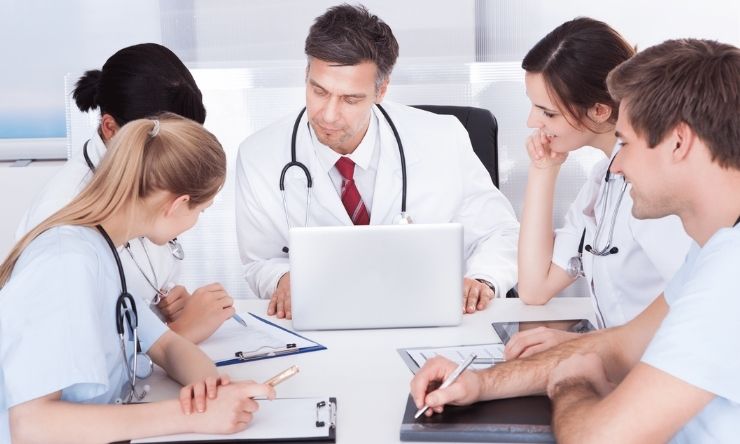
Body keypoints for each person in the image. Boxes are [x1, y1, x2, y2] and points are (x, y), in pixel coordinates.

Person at [410, 38, 740, 442]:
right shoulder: (714, 251)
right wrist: (481, 383)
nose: (616, 165)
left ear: (678, 142)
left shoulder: (729, 278)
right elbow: (622, 344)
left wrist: (571, 383)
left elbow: (597, 439)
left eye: (628, 143)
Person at [0, 114, 275, 443]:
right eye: (201, 211)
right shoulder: (66, 264)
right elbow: (32, 426)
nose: (196, 221)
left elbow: (168, 345)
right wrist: (192, 415)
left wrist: (210, 388)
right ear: (178, 204)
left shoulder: (101, 248)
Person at [235, 4, 520, 319]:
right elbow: (259, 261)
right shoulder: (259, 156)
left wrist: (482, 279)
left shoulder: (444, 138)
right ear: (306, 76)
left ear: (381, 90)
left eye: (350, 99)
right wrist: (282, 279)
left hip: (426, 317)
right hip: (325, 319)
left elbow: (499, 231)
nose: (328, 114)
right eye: (319, 91)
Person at [17, 43, 234, 343]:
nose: (177, 156)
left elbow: (133, 291)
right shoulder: (62, 217)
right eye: (167, 143)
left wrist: (166, 302)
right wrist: (178, 335)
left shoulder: (148, 180)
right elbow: (64, 355)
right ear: (110, 128)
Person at [512, 18, 691, 358]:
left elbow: (696, 303)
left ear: (598, 110)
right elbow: (535, 288)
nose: (532, 123)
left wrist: (588, 346)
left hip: (660, 374)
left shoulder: (655, 190)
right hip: (623, 364)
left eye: (547, 113)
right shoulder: (602, 178)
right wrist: (543, 170)